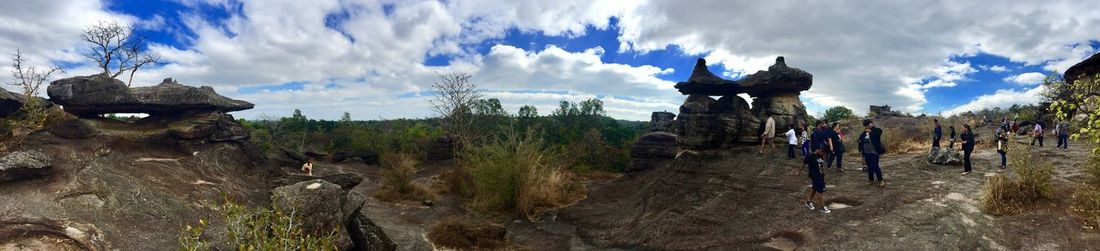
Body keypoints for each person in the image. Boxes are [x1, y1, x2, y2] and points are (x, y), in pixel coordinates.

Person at [858, 119, 886, 187]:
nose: (867, 126)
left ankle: (880, 180)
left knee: (875, 166)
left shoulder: (876, 130)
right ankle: (871, 180)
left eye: (868, 124)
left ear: (871, 123)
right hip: (866, 152)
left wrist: (871, 131)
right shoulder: (864, 133)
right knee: (869, 167)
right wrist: (860, 150)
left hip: (874, 152)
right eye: (866, 125)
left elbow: (879, 132)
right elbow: (860, 140)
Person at [802, 149, 830, 214]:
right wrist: (799, 172)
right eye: (823, 152)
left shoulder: (820, 156)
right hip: (815, 175)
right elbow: (804, 163)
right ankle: (823, 207)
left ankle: (808, 202)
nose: (823, 154)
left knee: (814, 188)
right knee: (820, 191)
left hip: (820, 175)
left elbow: (821, 166)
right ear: (818, 150)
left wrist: (823, 173)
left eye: (824, 153)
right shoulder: (811, 156)